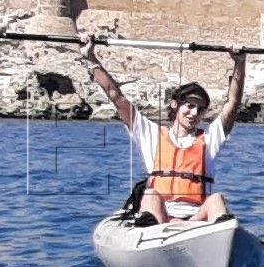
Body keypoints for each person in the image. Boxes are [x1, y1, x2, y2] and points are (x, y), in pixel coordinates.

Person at [79, 32, 247, 225]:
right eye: (190, 106)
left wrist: (239, 63)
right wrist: (90, 58)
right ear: (175, 105)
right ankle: (148, 226)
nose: (194, 113)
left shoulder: (209, 139)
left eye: (200, 109)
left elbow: (233, 103)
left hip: (196, 219)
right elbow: (116, 96)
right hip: (161, 217)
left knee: (216, 199)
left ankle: (220, 236)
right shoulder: (149, 134)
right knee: (150, 194)